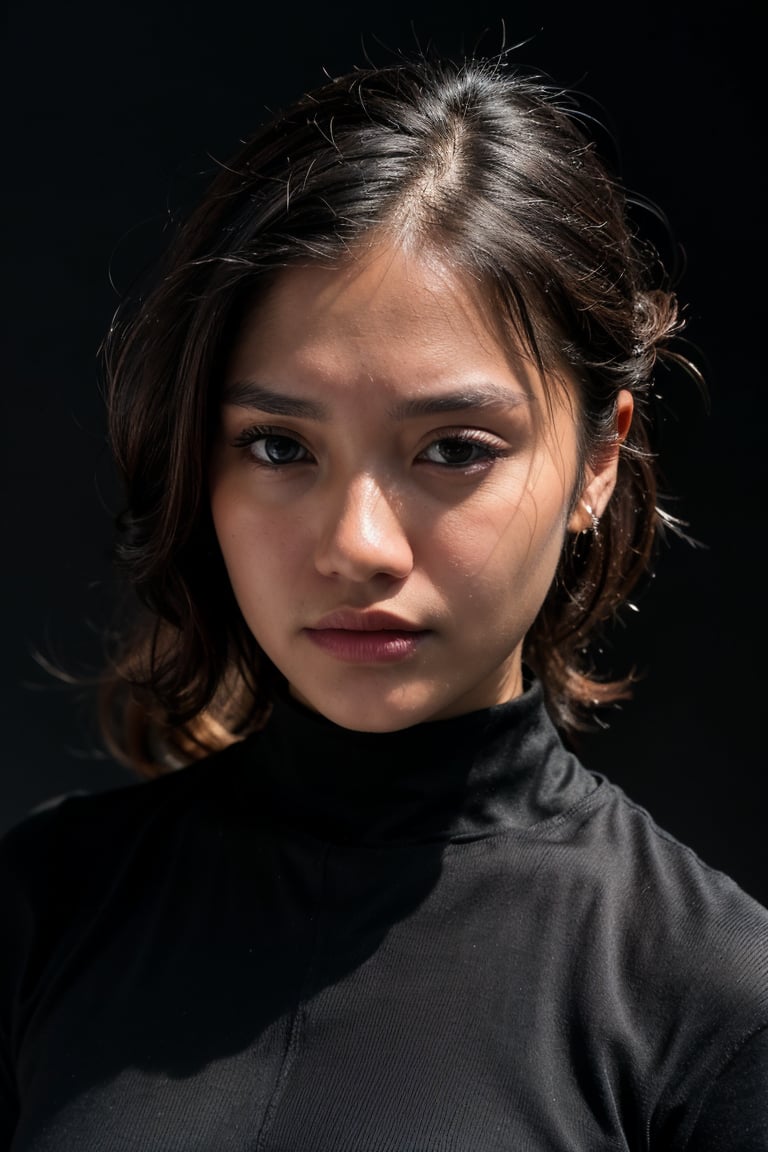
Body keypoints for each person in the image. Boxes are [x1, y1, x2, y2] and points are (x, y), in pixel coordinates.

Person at [1, 50, 766, 1152]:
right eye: (277, 446)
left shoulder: (713, 1009)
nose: (358, 545)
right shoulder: (44, 911)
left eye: (454, 450)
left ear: (600, 459)